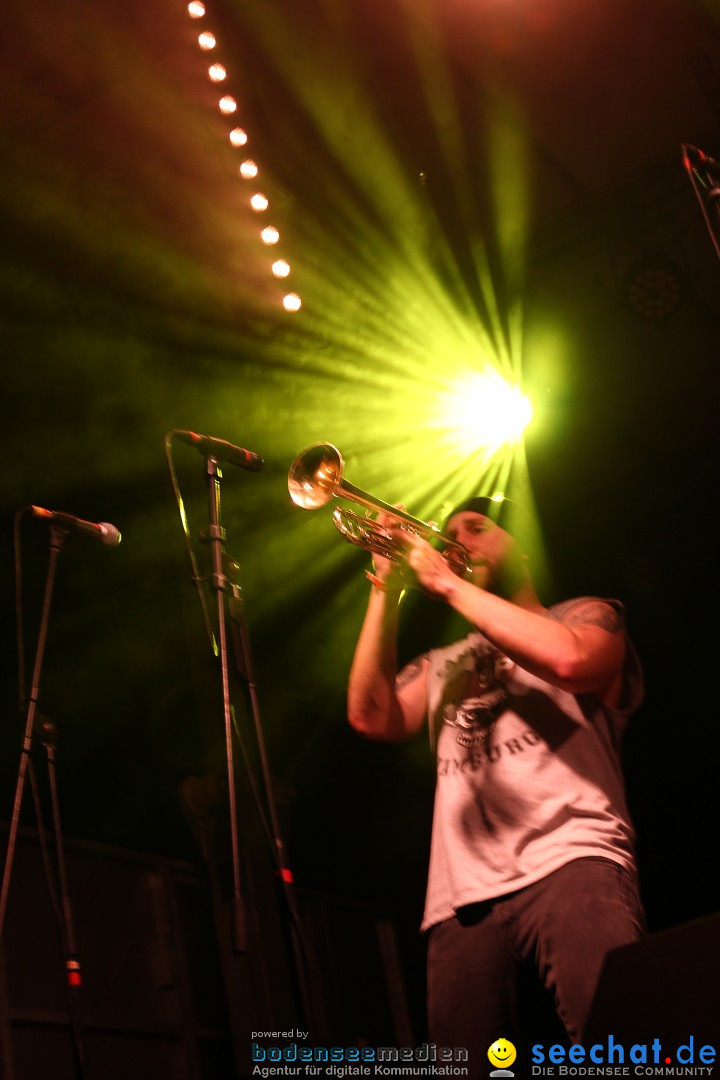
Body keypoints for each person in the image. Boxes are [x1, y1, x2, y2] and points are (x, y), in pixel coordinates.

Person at [347, 496, 645, 1071]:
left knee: (623, 1047)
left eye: (478, 528)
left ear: (524, 546)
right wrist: (385, 582)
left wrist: (452, 587)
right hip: (458, 898)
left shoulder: (583, 615)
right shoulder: (441, 662)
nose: (458, 539)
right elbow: (369, 714)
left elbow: (572, 663)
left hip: (572, 859)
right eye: (451, 531)